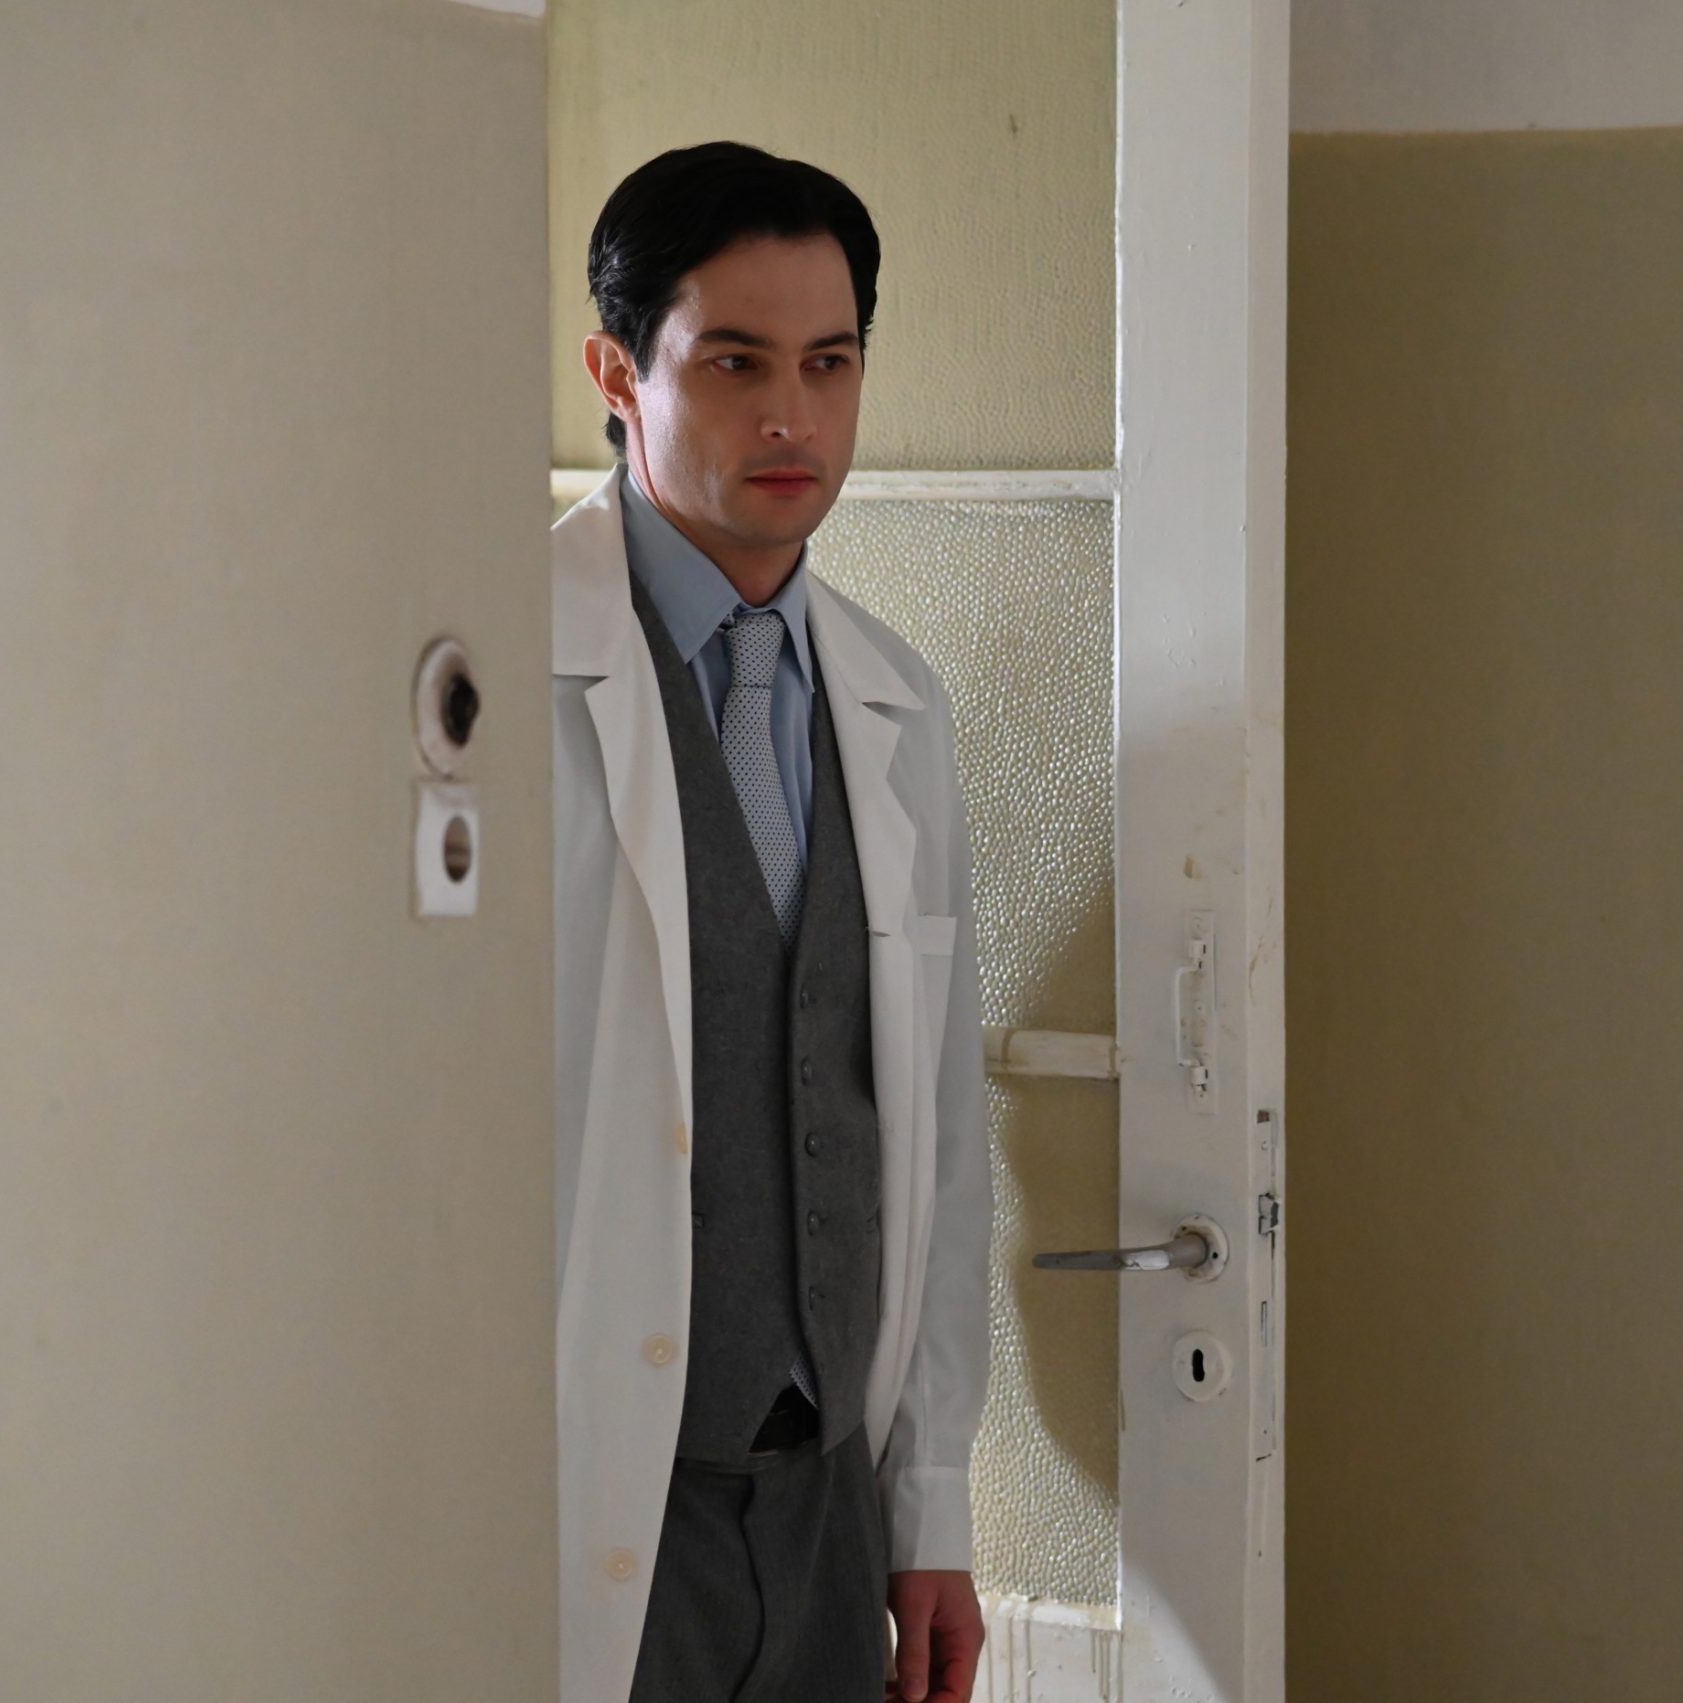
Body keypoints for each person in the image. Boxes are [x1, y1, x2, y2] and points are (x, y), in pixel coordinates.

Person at [551, 141, 994, 1703]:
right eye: (734, 362)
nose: (792, 416)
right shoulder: (495, 686)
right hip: (581, 1499)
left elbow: (936, 1136)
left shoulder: (896, 702)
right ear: (619, 374)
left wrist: (929, 1509)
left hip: (826, 1515)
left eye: (829, 361)